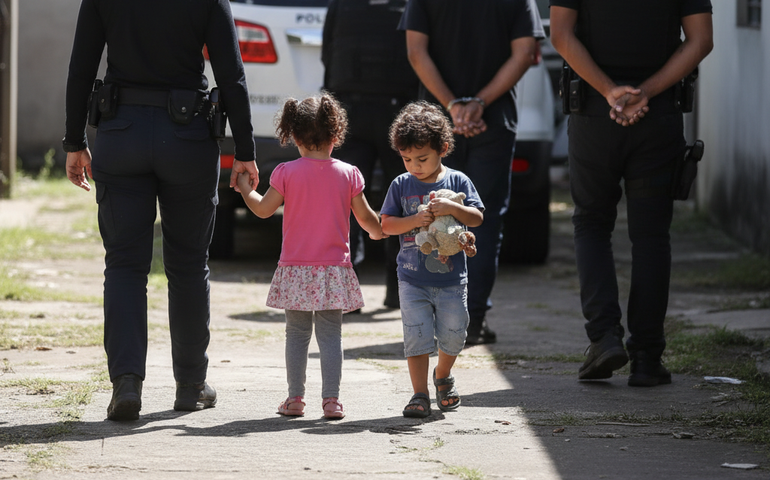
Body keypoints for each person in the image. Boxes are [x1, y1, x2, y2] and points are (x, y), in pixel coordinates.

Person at [62, 0, 258, 420]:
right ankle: (190, 385)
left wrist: (74, 141)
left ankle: (126, 384)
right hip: (187, 139)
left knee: (124, 265)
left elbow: (81, 66)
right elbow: (231, 73)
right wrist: (245, 149)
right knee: (188, 265)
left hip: (120, 133)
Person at [549, 0, 713, 386]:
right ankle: (647, 357)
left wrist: (609, 91)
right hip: (657, 118)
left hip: (594, 116)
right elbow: (701, 39)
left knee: (591, 224)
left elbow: (560, 33)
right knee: (651, 236)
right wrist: (645, 92)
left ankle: (604, 338)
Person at [399, 0, 544, 344]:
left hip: (434, 124)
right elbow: (525, 53)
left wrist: (453, 106)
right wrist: (479, 104)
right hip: (492, 121)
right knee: (483, 219)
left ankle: (431, 315)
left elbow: (416, 52)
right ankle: (471, 319)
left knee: (427, 215)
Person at [236, 94, 386, 419]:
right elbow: (366, 218)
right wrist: (380, 231)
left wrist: (246, 189)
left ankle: (295, 399)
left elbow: (262, 209)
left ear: (294, 135)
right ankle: (332, 401)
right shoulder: (349, 174)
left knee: (296, 334)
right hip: (334, 269)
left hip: (296, 269)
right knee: (331, 334)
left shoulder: (286, 172)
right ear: (336, 134)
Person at [381, 102, 484, 417]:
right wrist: (415, 220)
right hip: (412, 279)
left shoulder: (458, 182)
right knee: (416, 336)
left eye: (422, 158)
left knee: (455, 333)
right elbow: (386, 225)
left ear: (443, 149)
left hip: (452, 280)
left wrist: (453, 209)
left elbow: (477, 217)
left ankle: (443, 374)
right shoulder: (401, 184)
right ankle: (419, 394)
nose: (414, 166)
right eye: (407, 159)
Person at [322, 0, 419, 309]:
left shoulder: (341, 4)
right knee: (404, 200)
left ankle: (348, 296)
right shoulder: (410, 4)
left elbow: (327, 53)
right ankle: (399, 290)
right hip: (399, 111)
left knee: (345, 202)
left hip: (351, 109)